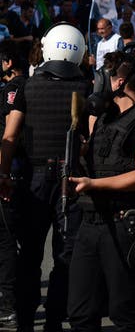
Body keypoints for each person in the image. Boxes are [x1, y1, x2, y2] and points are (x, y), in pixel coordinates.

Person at [67, 50, 135, 332]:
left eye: (106, 76)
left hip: (124, 225)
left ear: (120, 81)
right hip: (90, 222)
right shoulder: (101, 117)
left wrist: (94, 185)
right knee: (80, 311)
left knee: (123, 311)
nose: (99, 82)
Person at [1, 24, 91, 332]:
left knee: (29, 254)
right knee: (66, 255)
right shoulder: (87, 87)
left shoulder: (26, 87)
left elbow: (10, 136)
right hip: (73, 180)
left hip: (34, 179)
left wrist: (3, 174)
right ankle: (54, 319)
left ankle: (25, 320)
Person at [0, 41, 27, 328]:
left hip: (11, 172)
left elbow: (10, 135)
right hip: (27, 173)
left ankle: (9, 303)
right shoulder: (30, 85)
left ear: (8, 63)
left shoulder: (11, 91)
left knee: (6, 241)